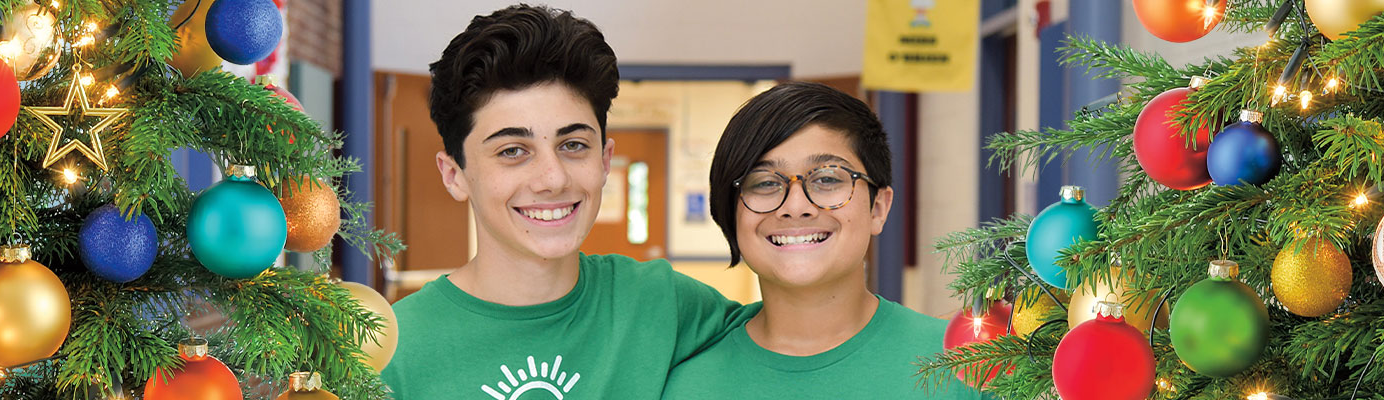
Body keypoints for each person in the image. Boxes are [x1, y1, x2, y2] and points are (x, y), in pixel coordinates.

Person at [380, 5, 745, 399]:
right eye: (512, 151)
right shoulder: (391, 352)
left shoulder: (666, 308)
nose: (552, 179)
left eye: (573, 145)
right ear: (454, 175)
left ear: (604, 161)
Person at [662, 82, 992, 398]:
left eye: (827, 178)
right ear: (731, 215)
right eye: (764, 183)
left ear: (878, 207)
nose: (795, 206)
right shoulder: (683, 385)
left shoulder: (965, 364)